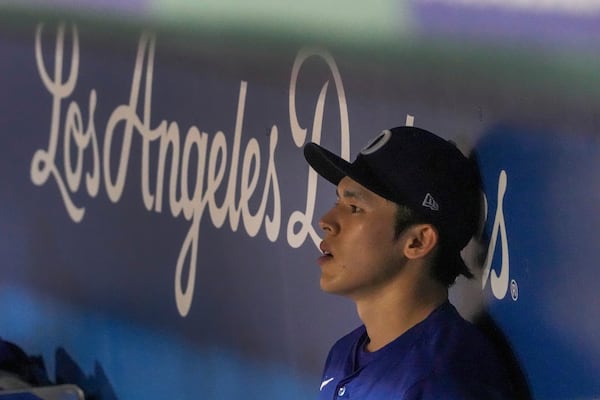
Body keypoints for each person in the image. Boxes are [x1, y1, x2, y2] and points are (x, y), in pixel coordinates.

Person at [304, 126, 513, 399]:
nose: (326, 222)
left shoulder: (445, 379)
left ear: (417, 241)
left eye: (354, 208)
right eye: (338, 201)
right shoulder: (343, 352)